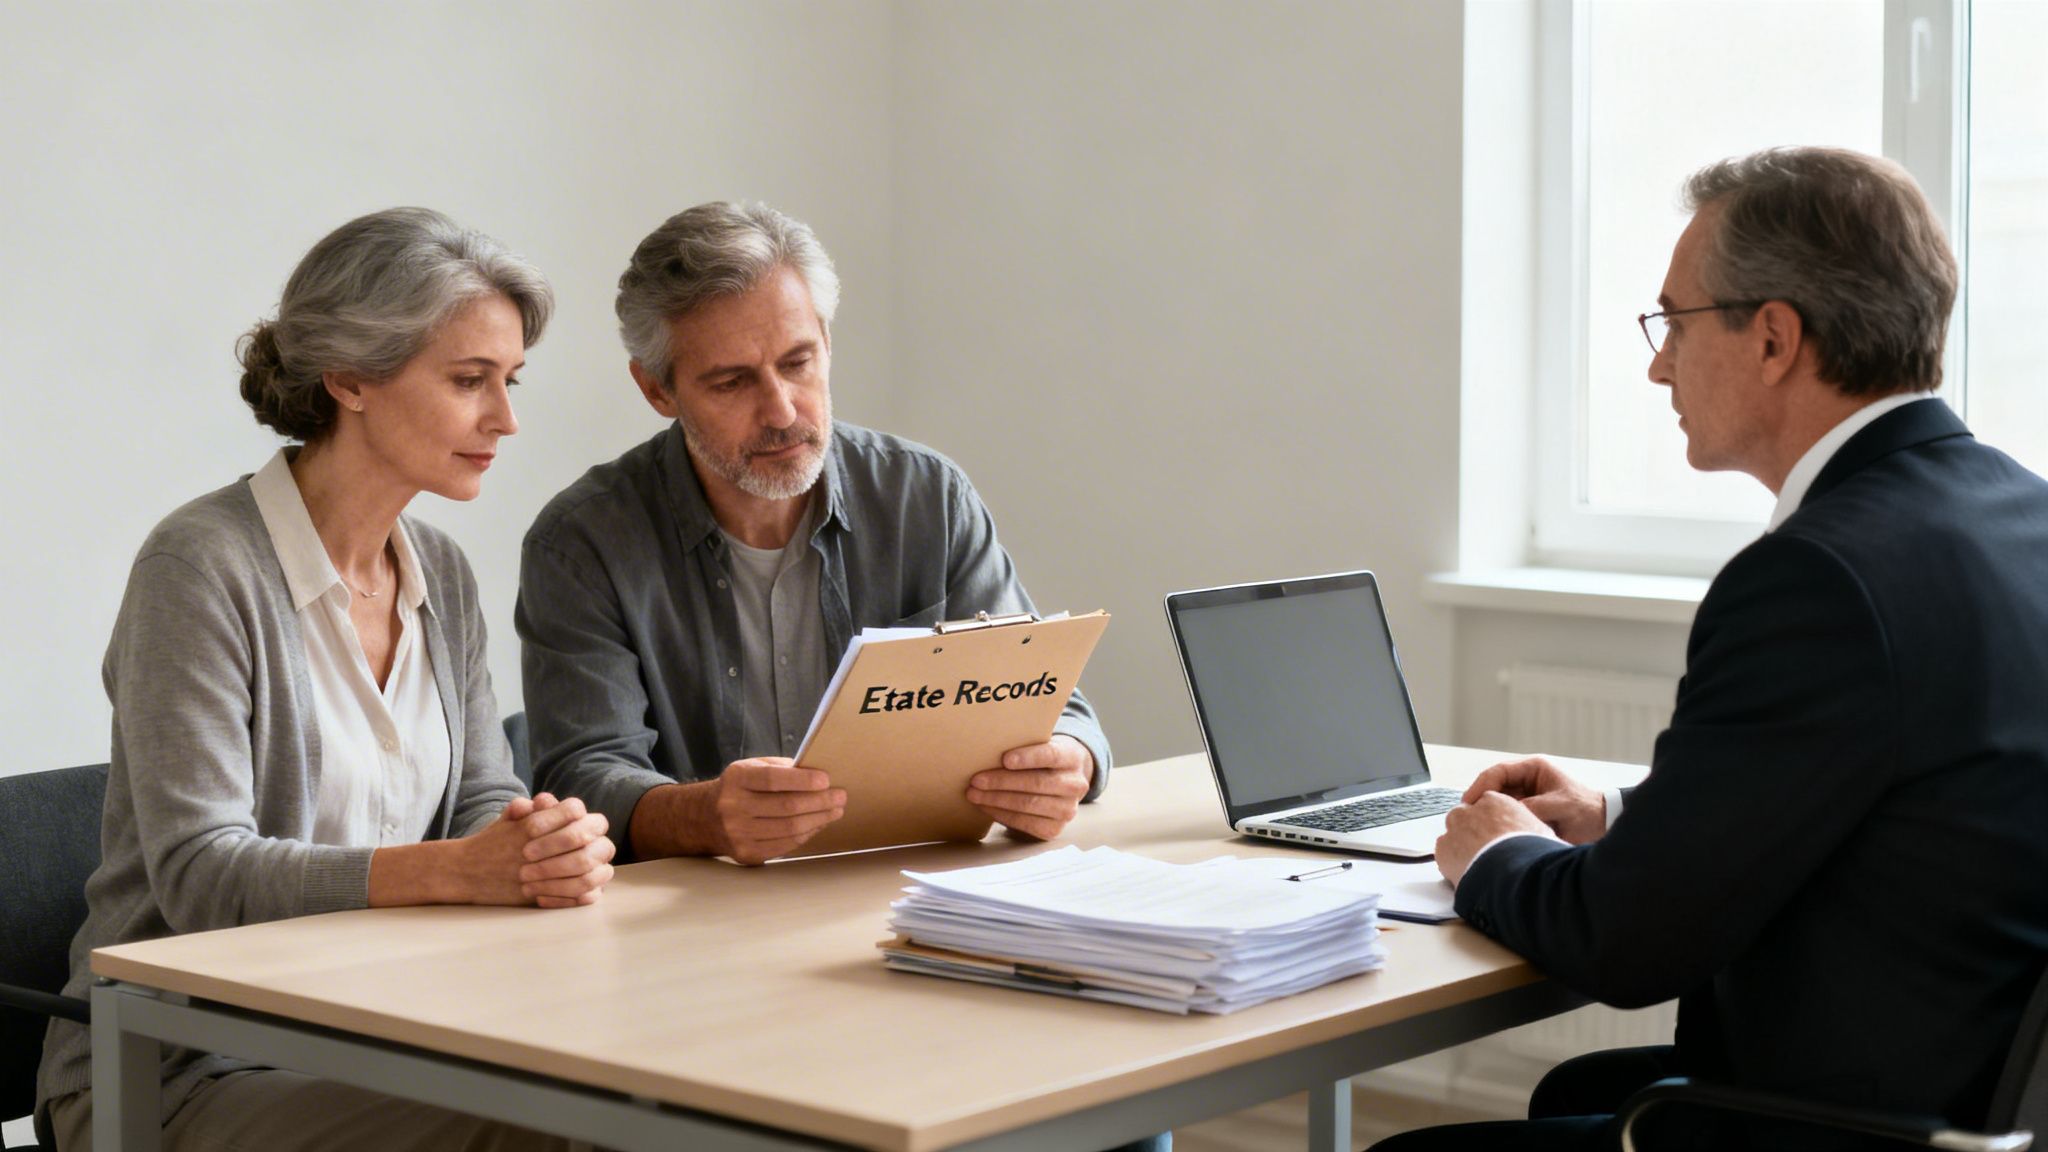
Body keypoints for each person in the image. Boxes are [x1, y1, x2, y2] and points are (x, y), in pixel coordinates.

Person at [1374, 147, 2048, 1151]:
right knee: (1579, 1090)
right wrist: (1620, 819)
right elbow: (1894, 805)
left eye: (1672, 324)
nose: (1656, 364)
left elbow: (1623, 947)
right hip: (1970, 1086)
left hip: (1861, 1123)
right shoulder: (2014, 515)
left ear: (1772, 337)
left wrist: (1494, 856)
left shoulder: (1817, 577)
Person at [36, 208, 616, 1152]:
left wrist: (532, 842)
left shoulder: (443, 574)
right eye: (469, 381)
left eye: (509, 381)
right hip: (178, 1068)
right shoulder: (200, 566)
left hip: (384, 1034)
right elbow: (200, 874)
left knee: (656, 1109)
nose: (506, 419)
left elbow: (480, 797)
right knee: (560, 1132)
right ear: (349, 377)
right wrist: (461, 870)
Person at [517, 201, 1114, 867]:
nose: (780, 410)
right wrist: (705, 817)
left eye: (798, 362)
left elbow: (1057, 709)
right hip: (698, 916)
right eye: (732, 382)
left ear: (827, 342)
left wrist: (1068, 764)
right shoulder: (582, 543)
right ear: (658, 389)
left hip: (906, 883)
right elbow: (582, 777)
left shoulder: (926, 497)